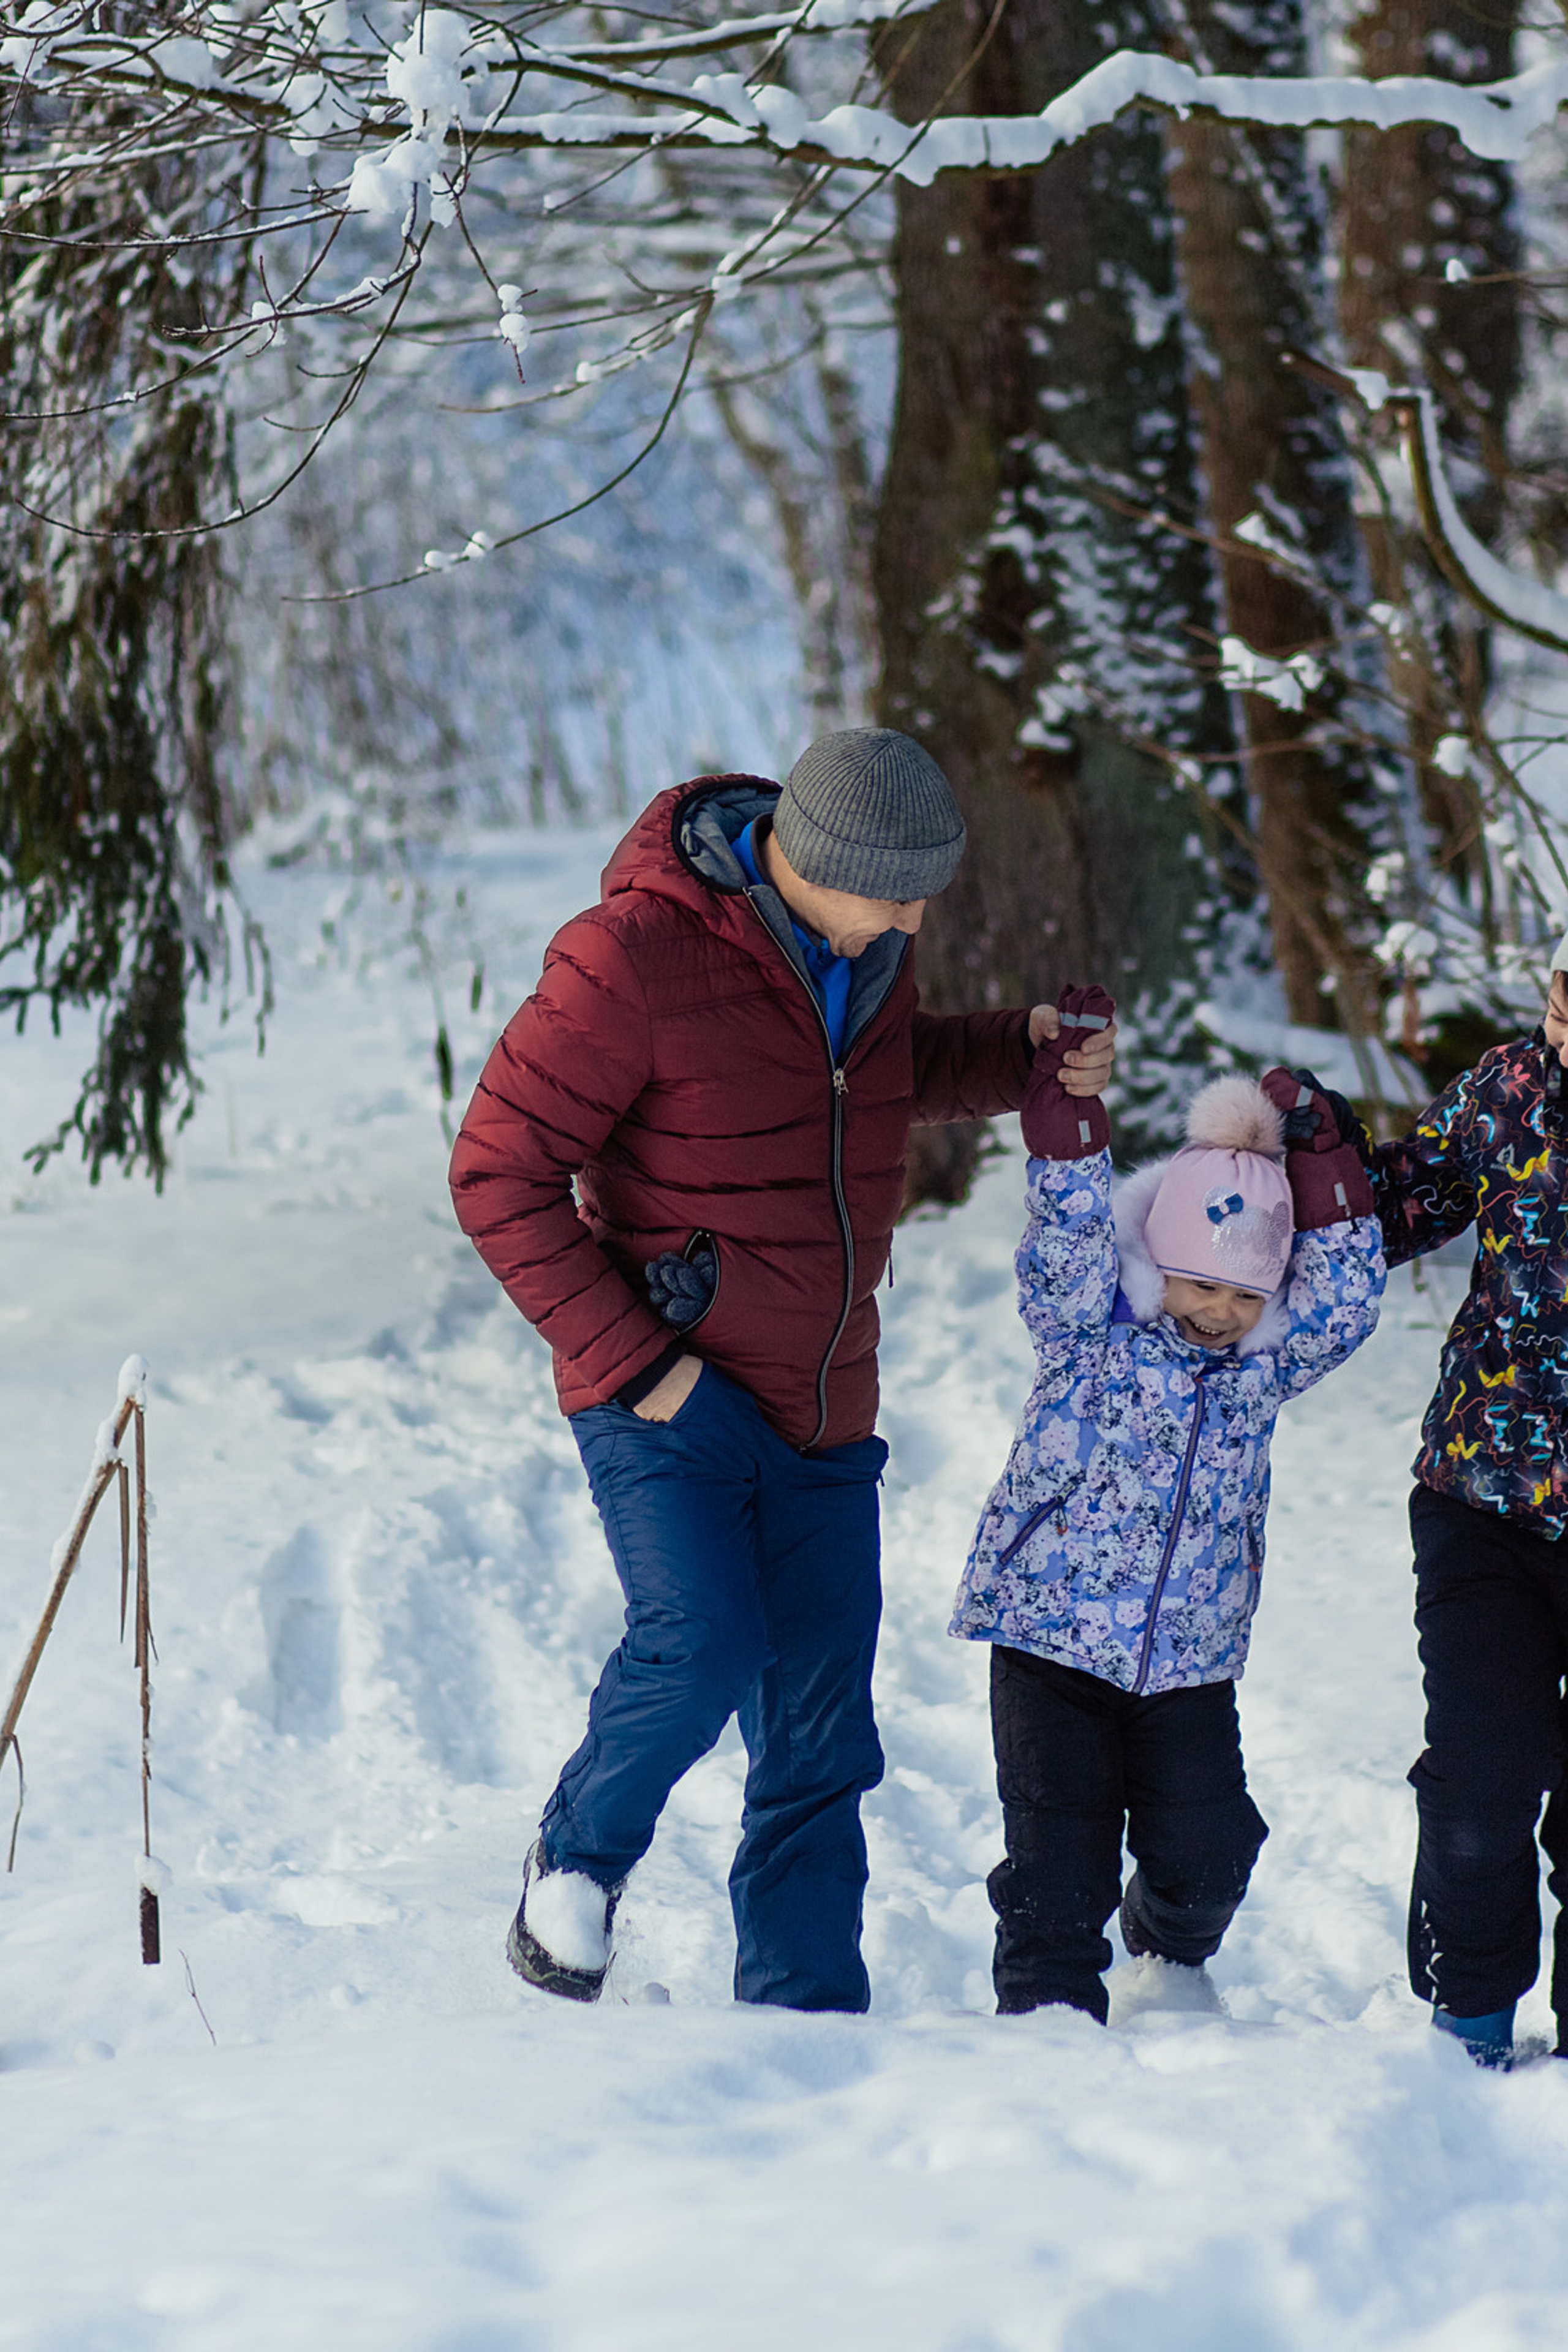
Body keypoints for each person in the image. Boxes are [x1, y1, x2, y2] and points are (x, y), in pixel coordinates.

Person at [448, 729, 1115, 2010]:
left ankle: (804, 2024)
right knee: (700, 1642)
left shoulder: (870, 960)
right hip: (668, 1393)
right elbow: (496, 1173)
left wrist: (1019, 1049)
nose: (917, 916)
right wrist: (638, 1363)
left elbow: (869, 1086)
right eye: (898, 890)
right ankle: (575, 1862)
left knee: (818, 1740)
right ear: (814, 860)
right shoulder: (629, 959)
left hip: (822, 1407)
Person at [950, 990, 1385, 2021]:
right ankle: (1047, 2028)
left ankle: (1171, 1942)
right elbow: (1064, 1236)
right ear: (1157, 1262)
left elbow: (1346, 1301)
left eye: (1243, 1295)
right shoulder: (1089, 1331)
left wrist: (1320, 1158)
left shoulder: (1261, 1368)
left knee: (1212, 1848)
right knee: (1059, 1864)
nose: (1220, 1311)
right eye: (1198, 1284)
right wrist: (1068, 1124)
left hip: (1189, 1659)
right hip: (1051, 1643)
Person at [1361, 944, 1568, 2066]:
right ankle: (1470, 2024)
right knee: (1486, 1775)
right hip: (1484, 1491)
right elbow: (1403, 1202)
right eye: (1565, 997)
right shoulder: (1508, 1089)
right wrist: (1319, 1160)